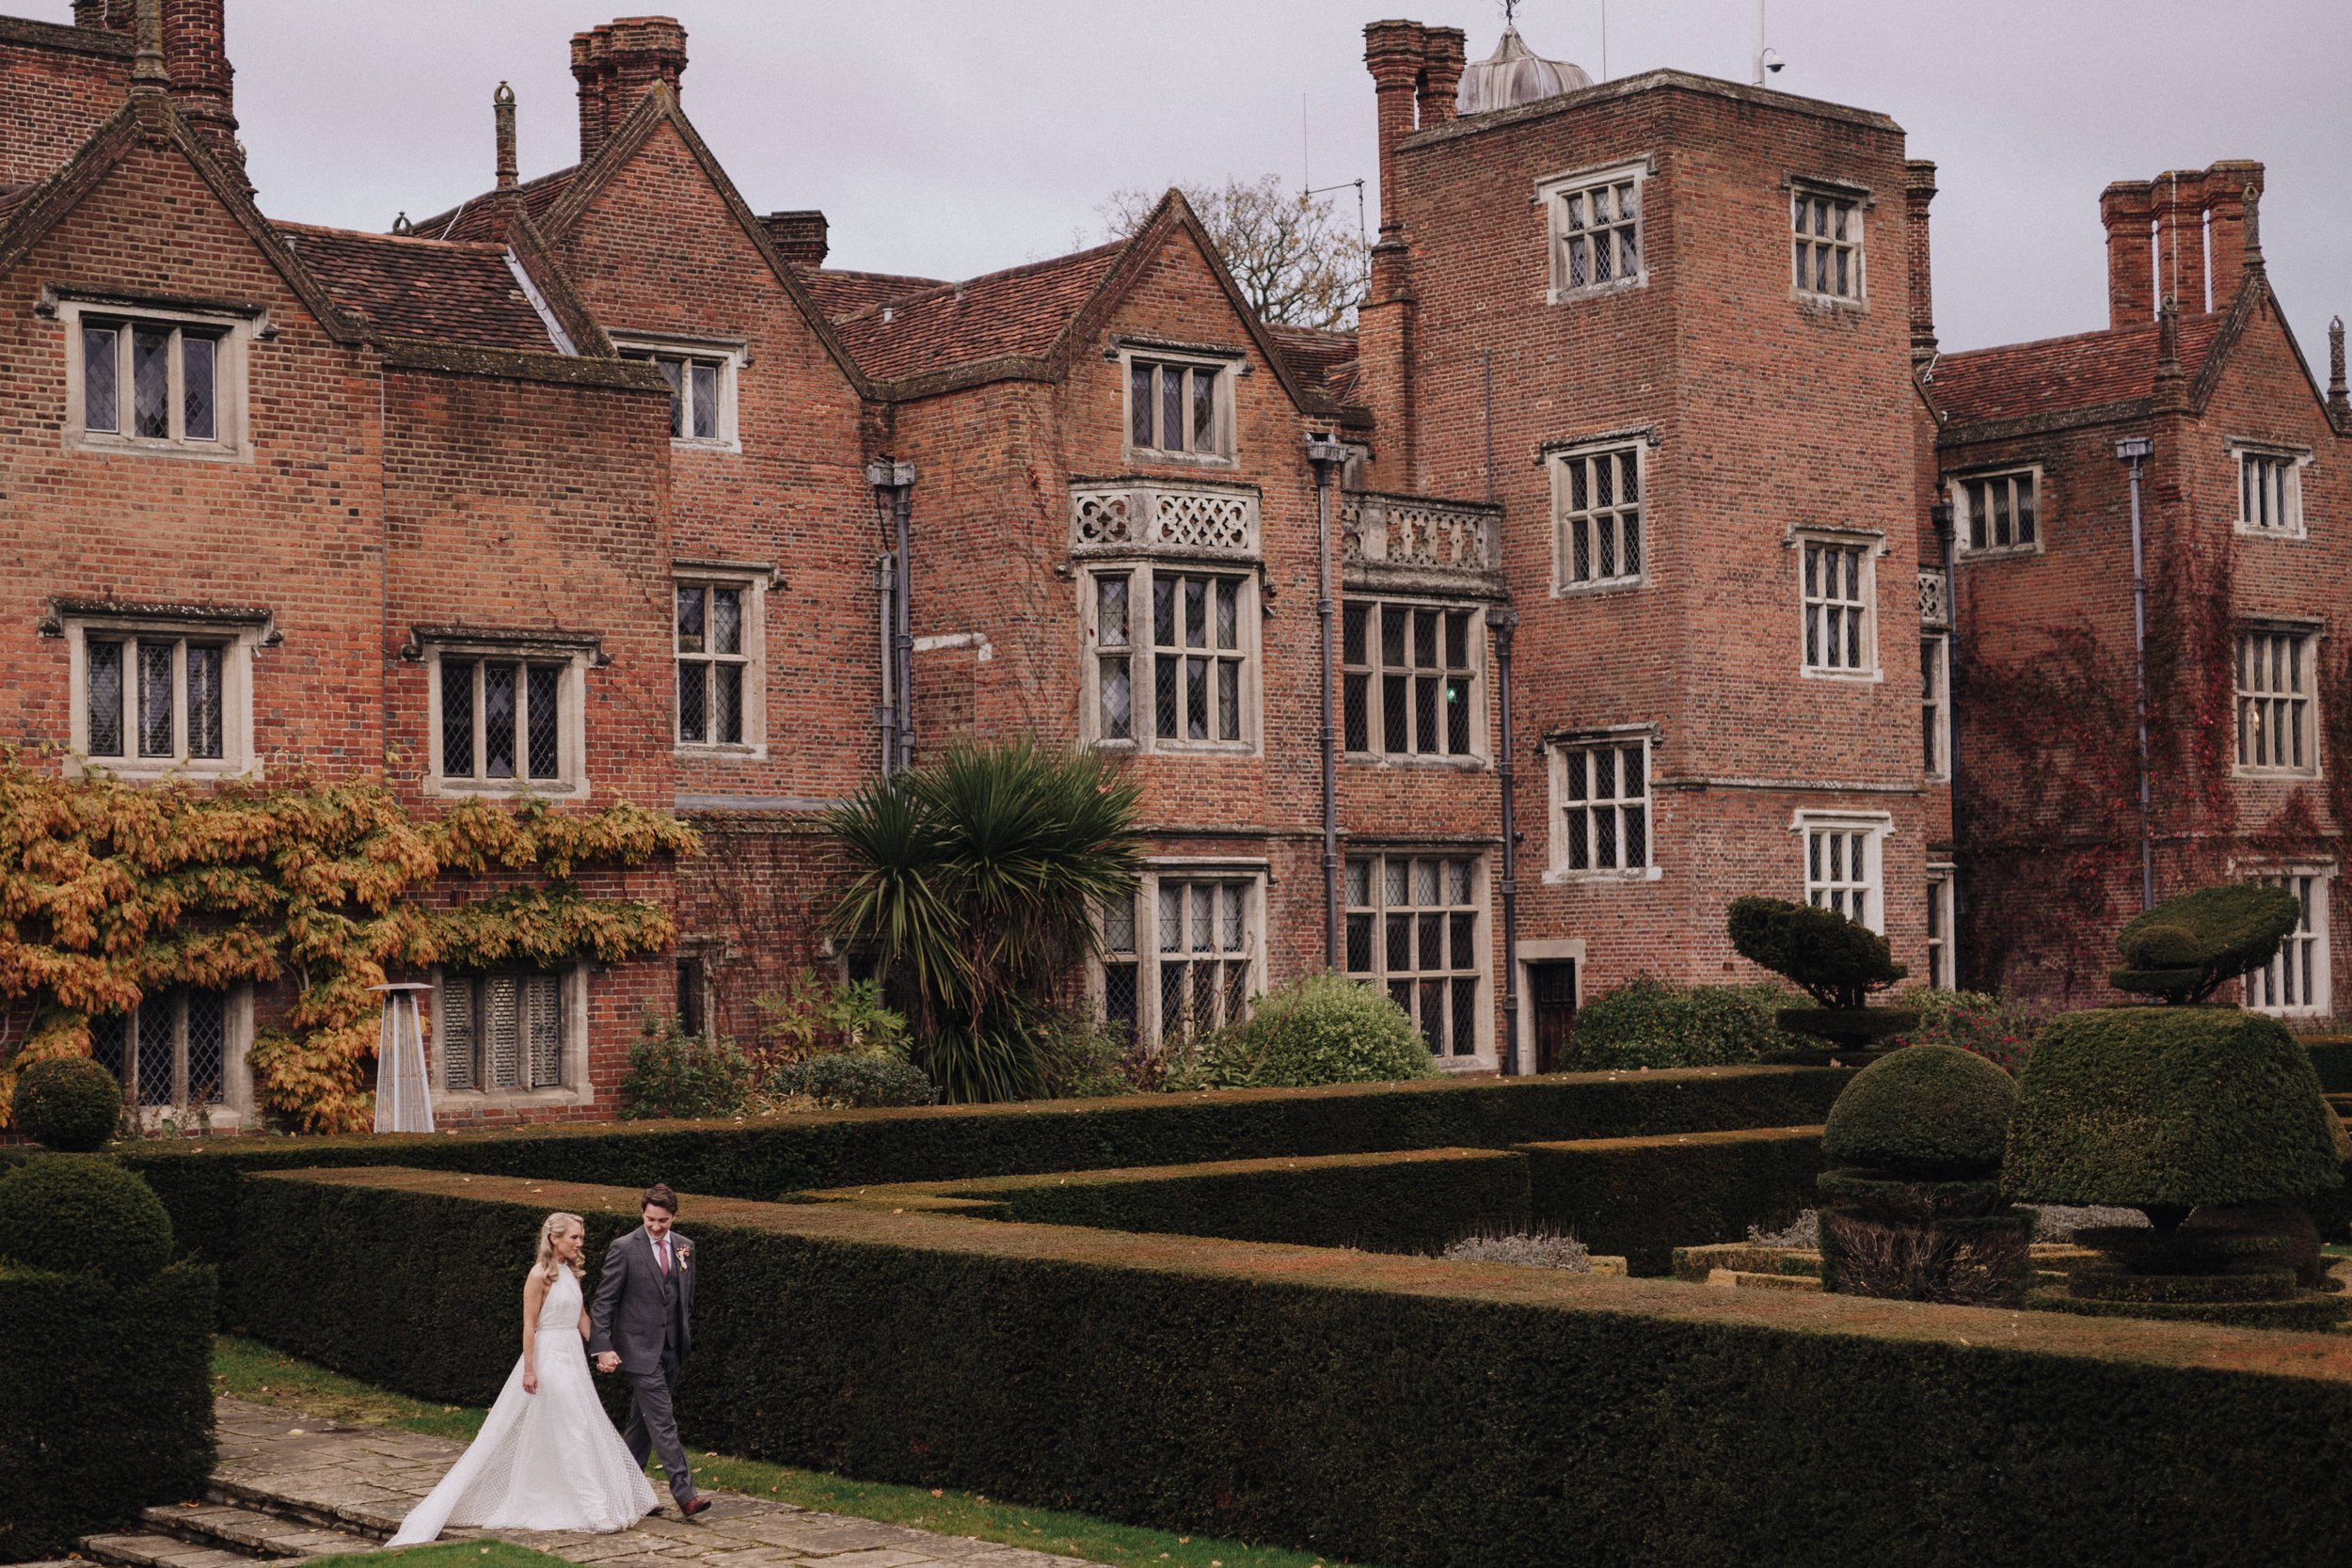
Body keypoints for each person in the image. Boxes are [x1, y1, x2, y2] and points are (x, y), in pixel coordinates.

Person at [388, 1212, 659, 1544]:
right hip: (549, 1358)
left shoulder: (571, 1272)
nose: (580, 1243)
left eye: (581, 1238)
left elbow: (581, 1316)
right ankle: (594, 1511)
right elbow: (529, 1324)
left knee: (578, 1425)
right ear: (554, 1238)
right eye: (574, 1237)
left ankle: (581, 1497)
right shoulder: (539, 1275)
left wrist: (602, 1349)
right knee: (574, 1427)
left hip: (572, 1356)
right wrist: (530, 1369)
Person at [589, 1183, 707, 1517]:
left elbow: (688, 1297)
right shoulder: (624, 1247)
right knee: (662, 1419)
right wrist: (602, 1347)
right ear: (642, 1213)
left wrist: (682, 1334)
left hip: (672, 1349)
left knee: (642, 1424)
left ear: (674, 1217)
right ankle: (686, 1495)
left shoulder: (685, 1247)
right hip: (638, 1350)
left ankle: (626, 1491)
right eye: (650, 1219)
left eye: (663, 1221)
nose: (656, 1226)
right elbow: (604, 1303)